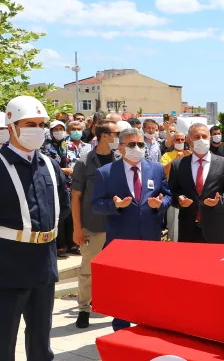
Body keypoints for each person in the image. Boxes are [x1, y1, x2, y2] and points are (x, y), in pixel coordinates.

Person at [0, 96, 80, 361]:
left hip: (43, 261)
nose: (36, 131)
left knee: (41, 333)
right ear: (12, 126)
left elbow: (60, 209)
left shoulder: (48, 163)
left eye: (40, 124)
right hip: (6, 263)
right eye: (28, 125)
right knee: (3, 340)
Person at [91, 127, 172, 331]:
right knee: (123, 288)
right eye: (132, 144)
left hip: (150, 239)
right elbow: (95, 204)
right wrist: (115, 205)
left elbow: (168, 196)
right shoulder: (106, 172)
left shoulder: (156, 168)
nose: (137, 148)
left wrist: (159, 205)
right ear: (121, 147)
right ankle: (121, 329)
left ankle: (146, 327)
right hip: (121, 241)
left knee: (148, 287)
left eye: (140, 144)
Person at [71, 120, 119, 328]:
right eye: (116, 133)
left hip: (118, 223)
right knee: (88, 269)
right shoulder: (84, 162)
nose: (119, 137)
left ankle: (115, 306)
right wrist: (77, 228)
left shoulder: (122, 160)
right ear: (104, 136)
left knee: (117, 270)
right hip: (93, 224)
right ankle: (84, 309)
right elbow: (75, 197)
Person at [169, 123, 224, 244]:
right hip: (187, 229)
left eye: (204, 136)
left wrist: (219, 200)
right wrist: (178, 200)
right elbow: (171, 193)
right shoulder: (178, 165)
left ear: (210, 139)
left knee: (215, 262)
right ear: (189, 140)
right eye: (196, 137)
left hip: (215, 228)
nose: (201, 140)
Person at [41, 120, 80, 258]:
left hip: (71, 184)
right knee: (60, 215)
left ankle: (73, 243)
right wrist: (64, 170)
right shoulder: (45, 147)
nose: (58, 131)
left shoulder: (71, 146)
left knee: (71, 214)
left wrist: (73, 170)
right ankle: (60, 245)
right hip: (55, 184)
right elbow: (46, 165)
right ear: (51, 131)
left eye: (61, 128)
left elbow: (77, 161)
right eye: (55, 129)